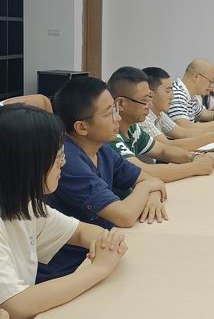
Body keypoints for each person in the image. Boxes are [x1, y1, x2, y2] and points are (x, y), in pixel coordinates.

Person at [0, 104, 127, 317]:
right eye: (58, 157)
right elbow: (16, 305)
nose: (64, 163)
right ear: (28, 163)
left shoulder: (25, 204)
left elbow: (81, 232)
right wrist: (100, 269)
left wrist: (106, 243)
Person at [37, 77, 167, 283]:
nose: (118, 118)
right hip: (68, 270)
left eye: (115, 109)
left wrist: (152, 193)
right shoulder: (68, 160)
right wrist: (148, 188)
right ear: (81, 127)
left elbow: (146, 178)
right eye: (109, 113)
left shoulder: (101, 148)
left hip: (99, 253)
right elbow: (124, 216)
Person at [107, 67, 214, 181]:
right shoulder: (110, 135)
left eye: (149, 98)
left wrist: (193, 157)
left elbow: (163, 150)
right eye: (144, 100)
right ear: (121, 103)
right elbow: (142, 172)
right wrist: (195, 167)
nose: (149, 105)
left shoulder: (133, 128)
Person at [141, 67, 214, 151]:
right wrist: (212, 136)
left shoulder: (160, 114)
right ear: (150, 94)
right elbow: (167, 146)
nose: (172, 96)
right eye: (168, 91)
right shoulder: (143, 119)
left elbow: (182, 133)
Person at [168, 59, 214, 125]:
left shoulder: (191, 95)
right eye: (210, 81)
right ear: (196, 77)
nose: (211, 86)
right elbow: (185, 127)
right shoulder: (177, 94)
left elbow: (201, 113)